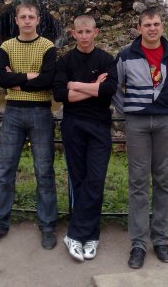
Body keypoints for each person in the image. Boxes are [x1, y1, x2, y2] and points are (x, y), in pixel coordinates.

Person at [113, 7, 168, 269]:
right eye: (147, 24)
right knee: (138, 181)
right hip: (136, 123)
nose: (152, 28)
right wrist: (128, 109)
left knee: (163, 179)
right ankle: (138, 243)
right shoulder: (126, 55)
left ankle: (160, 239)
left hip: (165, 122)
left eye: (156, 24)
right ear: (139, 28)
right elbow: (114, 87)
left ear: (162, 27)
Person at [0, 3, 58, 250]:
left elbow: (48, 80)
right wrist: (30, 77)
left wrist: (16, 81)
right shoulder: (6, 47)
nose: (27, 20)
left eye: (31, 17)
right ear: (16, 20)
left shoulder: (48, 46)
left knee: (44, 172)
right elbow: (0, 78)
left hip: (40, 112)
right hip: (13, 113)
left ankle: (48, 226)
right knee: (5, 171)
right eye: (22, 17)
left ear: (38, 20)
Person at [52, 15, 118, 262]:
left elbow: (108, 90)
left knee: (96, 179)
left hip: (99, 126)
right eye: (79, 32)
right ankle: (88, 237)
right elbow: (60, 95)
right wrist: (92, 87)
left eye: (88, 31)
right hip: (73, 126)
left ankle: (77, 234)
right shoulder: (65, 60)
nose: (84, 36)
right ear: (73, 33)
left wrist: (75, 85)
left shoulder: (106, 59)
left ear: (96, 32)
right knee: (78, 180)